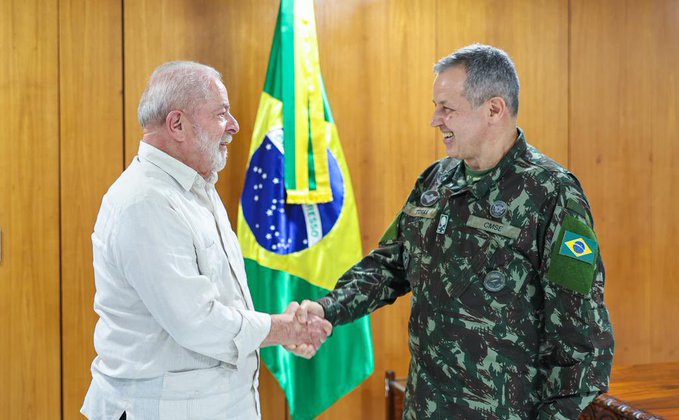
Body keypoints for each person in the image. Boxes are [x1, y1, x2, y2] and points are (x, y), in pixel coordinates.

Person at [296, 44, 615, 419]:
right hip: (425, 408)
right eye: (436, 106)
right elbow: (391, 264)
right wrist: (326, 309)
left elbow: (583, 341)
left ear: (494, 109)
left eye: (447, 108)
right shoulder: (435, 180)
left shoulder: (552, 193)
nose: (435, 119)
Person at [81, 61, 330, 420]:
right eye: (221, 114)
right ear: (177, 124)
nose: (234, 126)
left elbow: (225, 299)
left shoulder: (196, 187)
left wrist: (277, 331)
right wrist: (281, 328)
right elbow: (196, 322)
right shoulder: (145, 202)